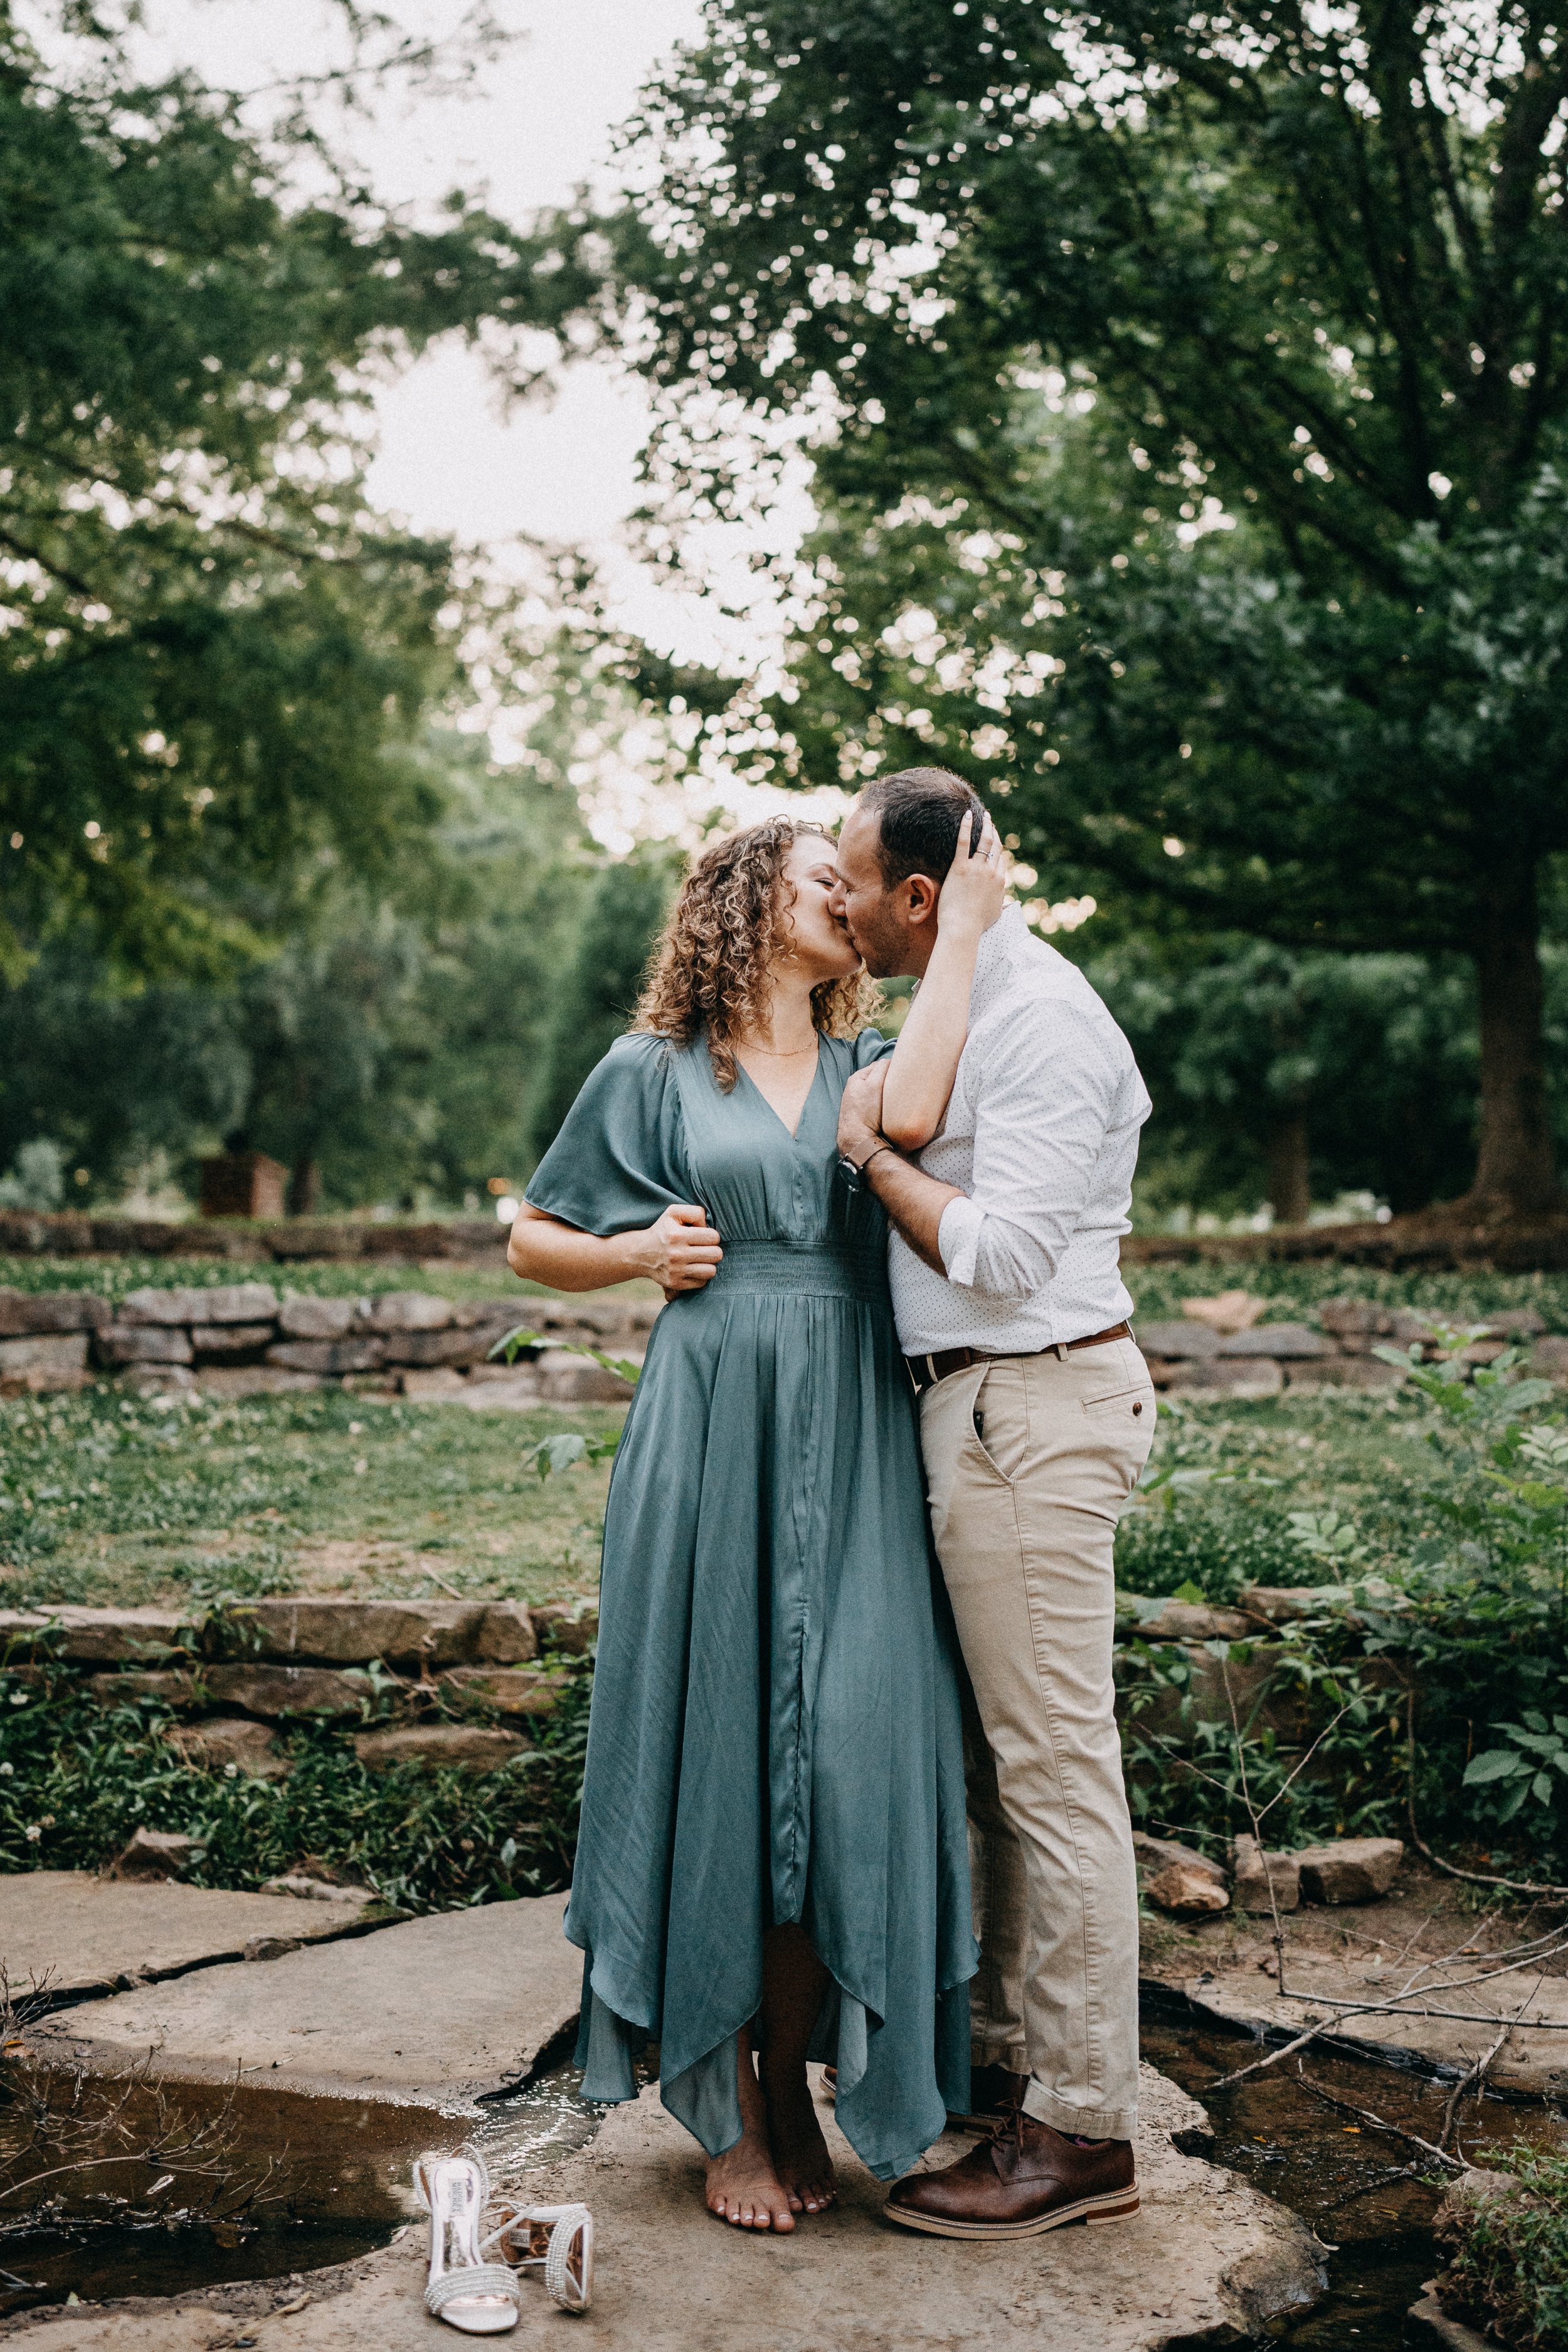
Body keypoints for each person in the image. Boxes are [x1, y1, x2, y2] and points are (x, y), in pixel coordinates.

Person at [506, 813, 1006, 2233]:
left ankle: (807, 2080)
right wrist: (629, 1253)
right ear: (741, 904)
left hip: (852, 1422)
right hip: (710, 1423)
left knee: (848, 1748)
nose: (844, 899)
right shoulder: (651, 1072)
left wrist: (958, 926)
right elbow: (533, 1232)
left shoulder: (871, 1066)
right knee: (721, 1745)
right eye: (814, 880)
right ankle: (740, 2099)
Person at [830, 766, 1157, 2241]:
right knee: (1001, 1771)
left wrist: (874, 1157)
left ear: (916, 894)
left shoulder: (1037, 1021)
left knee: (1053, 1772)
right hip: (977, 1409)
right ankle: (1020, 2069)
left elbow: (1008, 1254)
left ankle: (1079, 2131)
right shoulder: (959, 994)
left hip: (1030, 1406)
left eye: (849, 883)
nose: (834, 905)